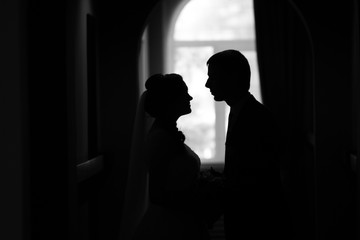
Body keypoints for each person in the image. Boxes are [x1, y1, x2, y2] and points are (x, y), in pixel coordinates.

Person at [205, 50, 291, 239]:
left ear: (232, 77)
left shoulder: (258, 117)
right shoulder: (239, 111)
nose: (207, 84)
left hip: (258, 223)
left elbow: (259, 179)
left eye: (213, 77)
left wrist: (223, 184)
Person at [133, 73, 213, 240]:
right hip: (171, 226)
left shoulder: (168, 134)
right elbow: (157, 195)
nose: (190, 97)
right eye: (184, 93)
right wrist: (199, 199)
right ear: (169, 100)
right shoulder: (160, 138)